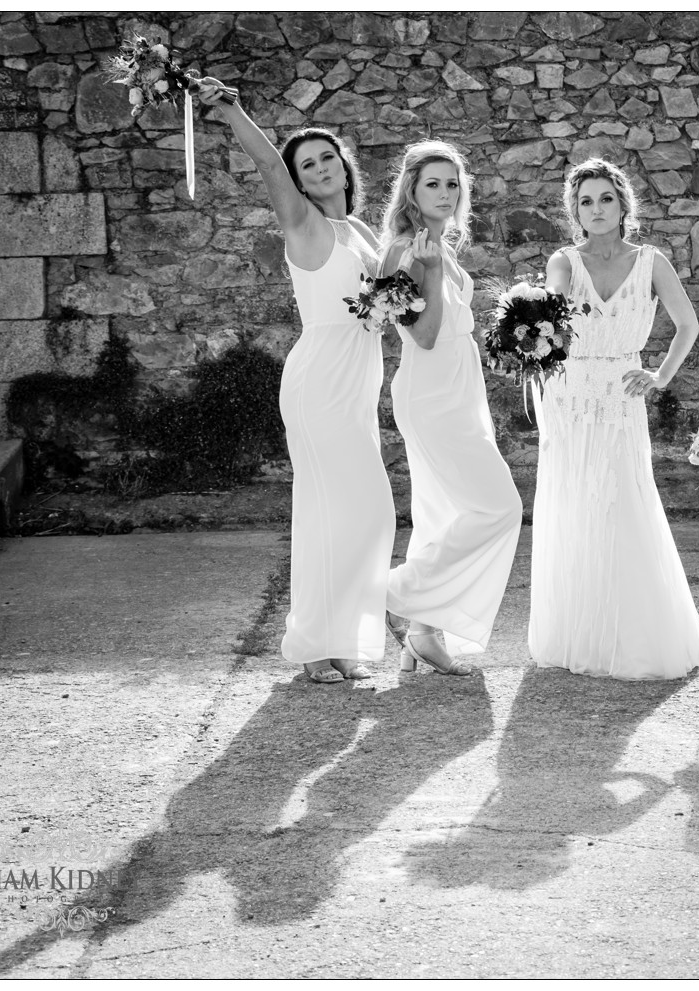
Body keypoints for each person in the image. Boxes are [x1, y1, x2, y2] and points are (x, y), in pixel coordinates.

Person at [196, 78, 395, 684]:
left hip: (358, 382)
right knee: (337, 512)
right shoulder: (303, 222)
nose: (320, 168)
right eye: (307, 165)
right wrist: (233, 111)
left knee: (359, 516)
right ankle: (311, 644)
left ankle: (337, 641)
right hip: (320, 380)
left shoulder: (362, 232)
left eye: (327, 158)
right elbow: (263, 159)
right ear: (300, 181)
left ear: (343, 165)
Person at [529, 158, 699, 680]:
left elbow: (688, 324)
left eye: (605, 199)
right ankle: (579, 632)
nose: (596, 209)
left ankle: (633, 634)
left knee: (623, 503)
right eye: (585, 201)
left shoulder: (651, 261)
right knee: (576, 503)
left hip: (624, 394)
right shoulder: (564, 261)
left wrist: (658, 377)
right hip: (570, 396)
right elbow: (551, 317)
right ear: (575, 210)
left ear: (622, 204)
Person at [379, 141, 522, 676]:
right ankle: (394, 592)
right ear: (411, 191)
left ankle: (425, 634)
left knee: (443, 516)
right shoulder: (404, 251)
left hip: (461, 392)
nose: (445, 193)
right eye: (433, 183)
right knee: (498, 508)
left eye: (453, 183)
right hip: (431, 394)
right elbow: (426, 334)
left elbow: (457, 332)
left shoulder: (444, 248)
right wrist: (432, 272)